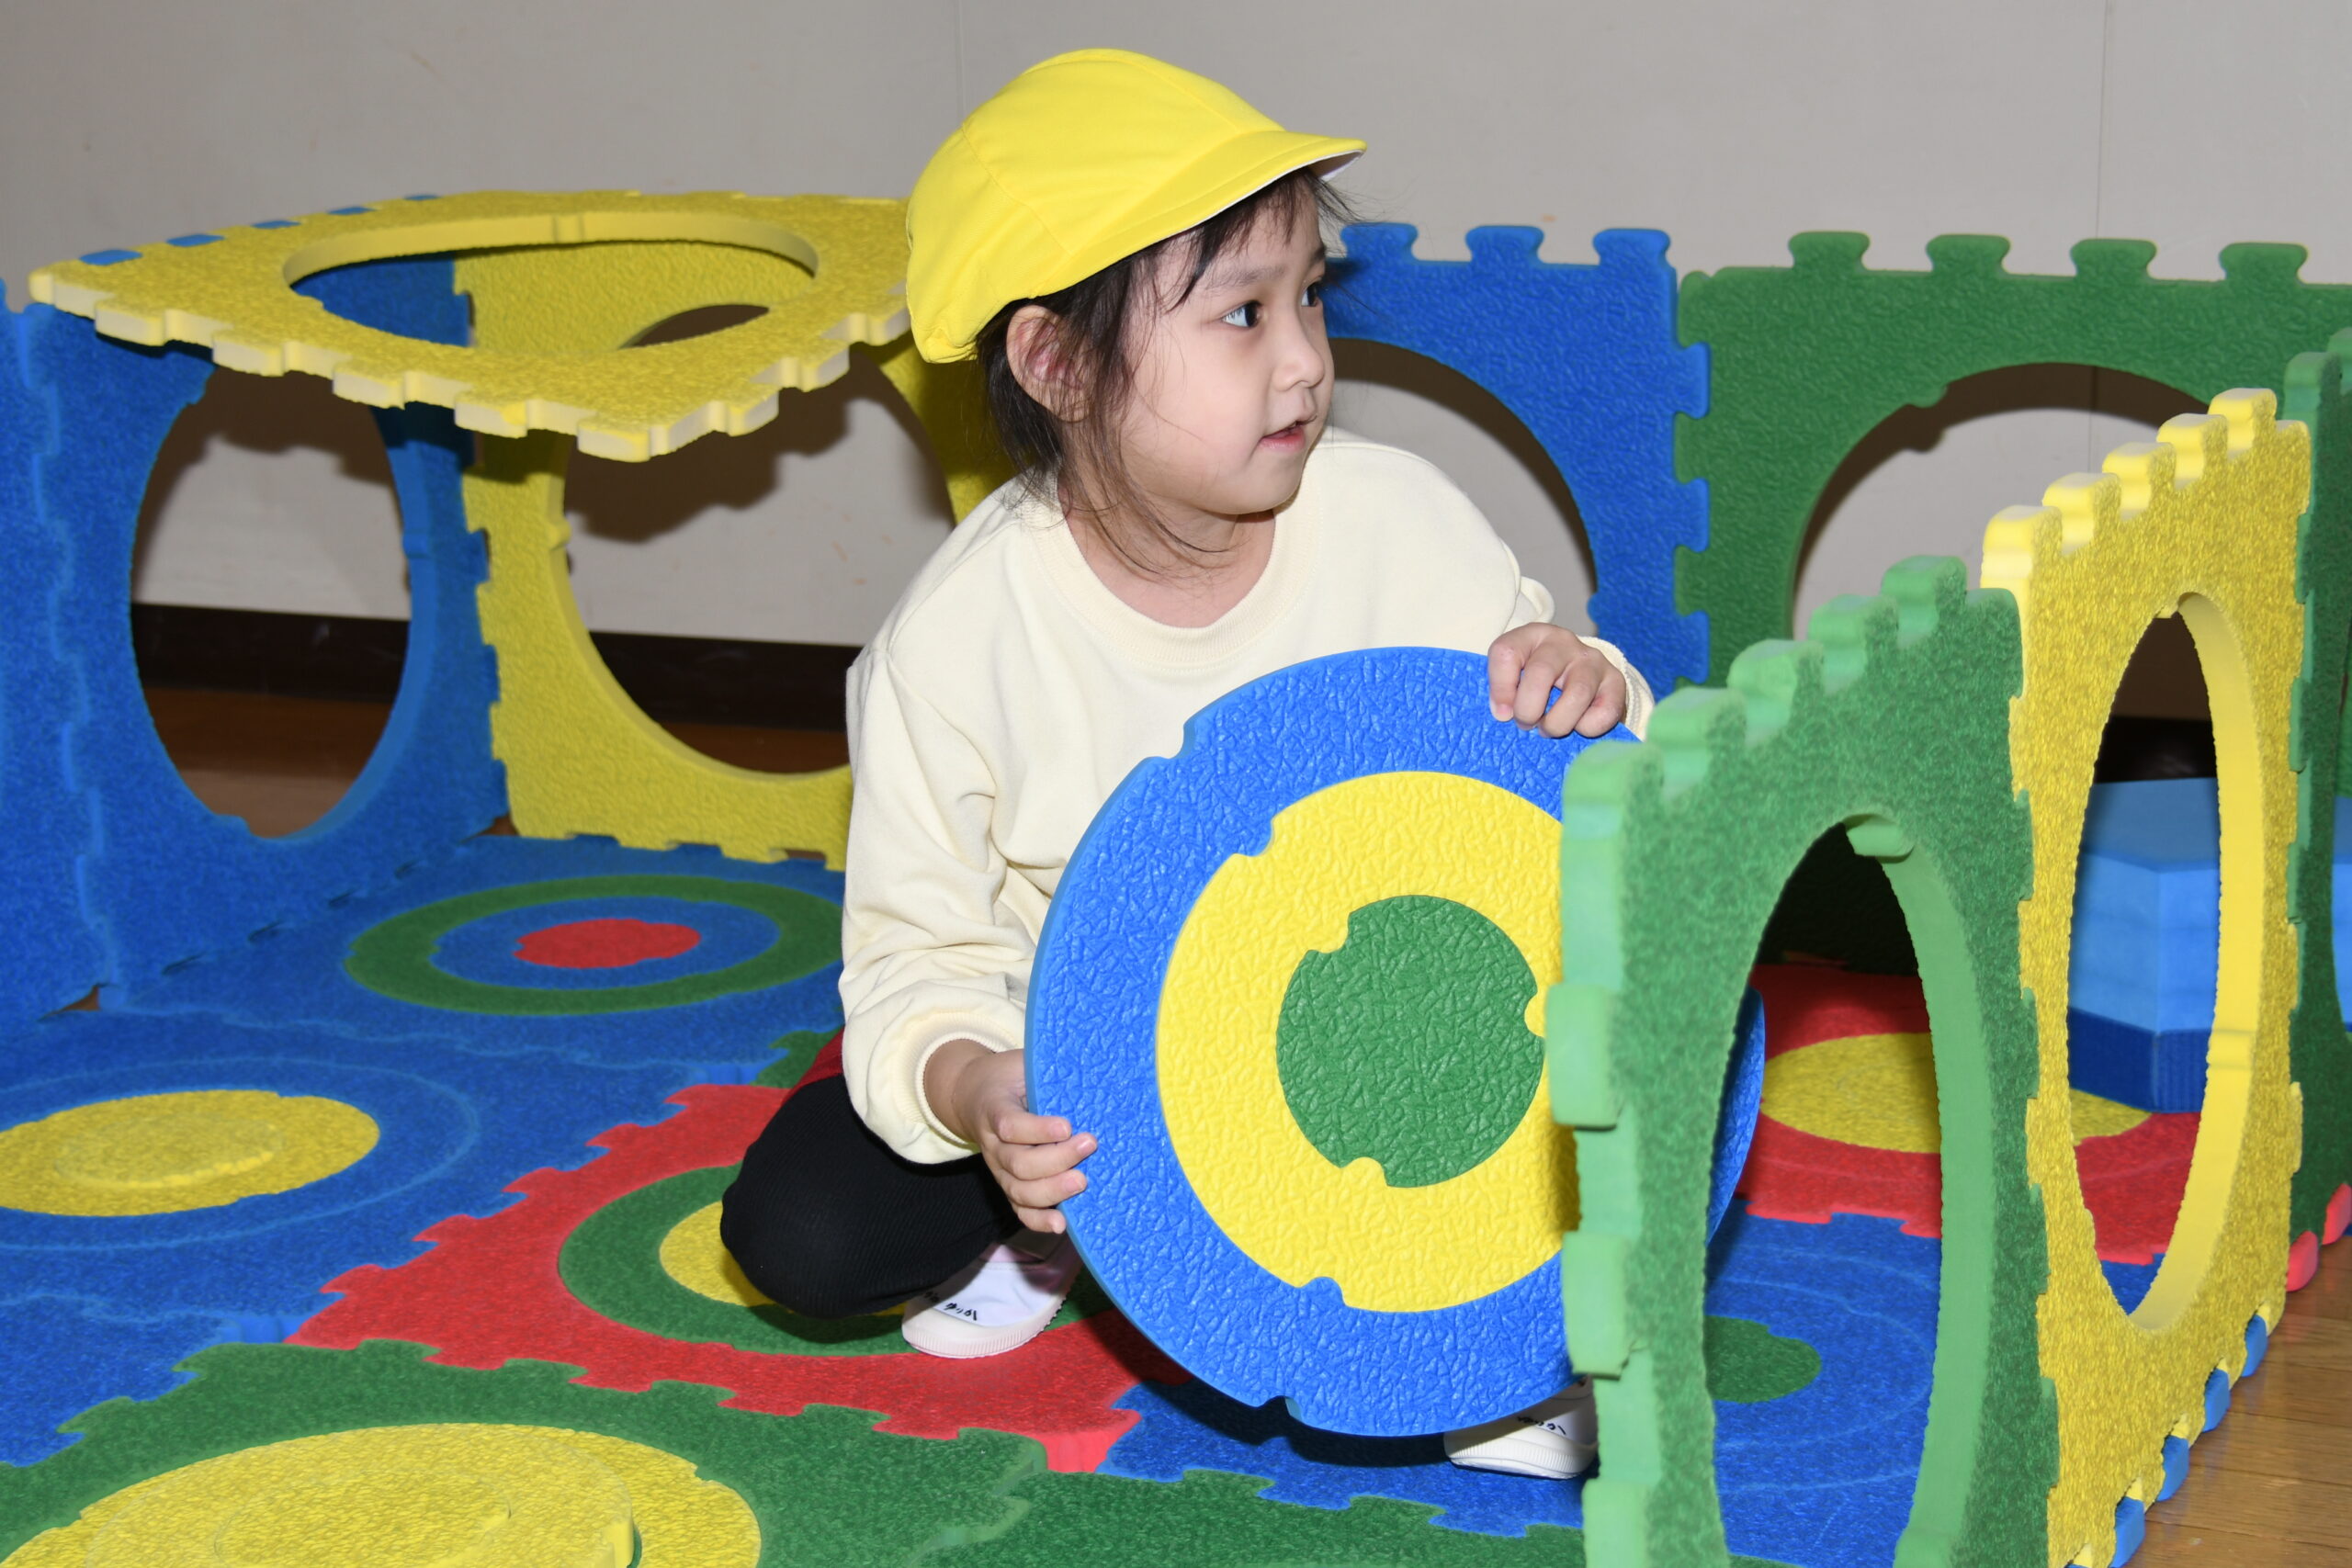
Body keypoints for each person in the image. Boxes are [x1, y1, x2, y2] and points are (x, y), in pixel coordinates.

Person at [721, 47, 1652, 1481]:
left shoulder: (1402, 525)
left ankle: (1476, 1350)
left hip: (1368, 1031)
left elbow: (1561, 784)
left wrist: (1584, 684)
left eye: (1309, 298)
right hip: (1104, 1087)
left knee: (1592, 1088)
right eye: (1240, 314)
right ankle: (1048, 1237)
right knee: (804, 1229)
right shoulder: (953, 646)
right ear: (1055, 364)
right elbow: (917, 956)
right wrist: (981, 1094)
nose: (1305, 359)